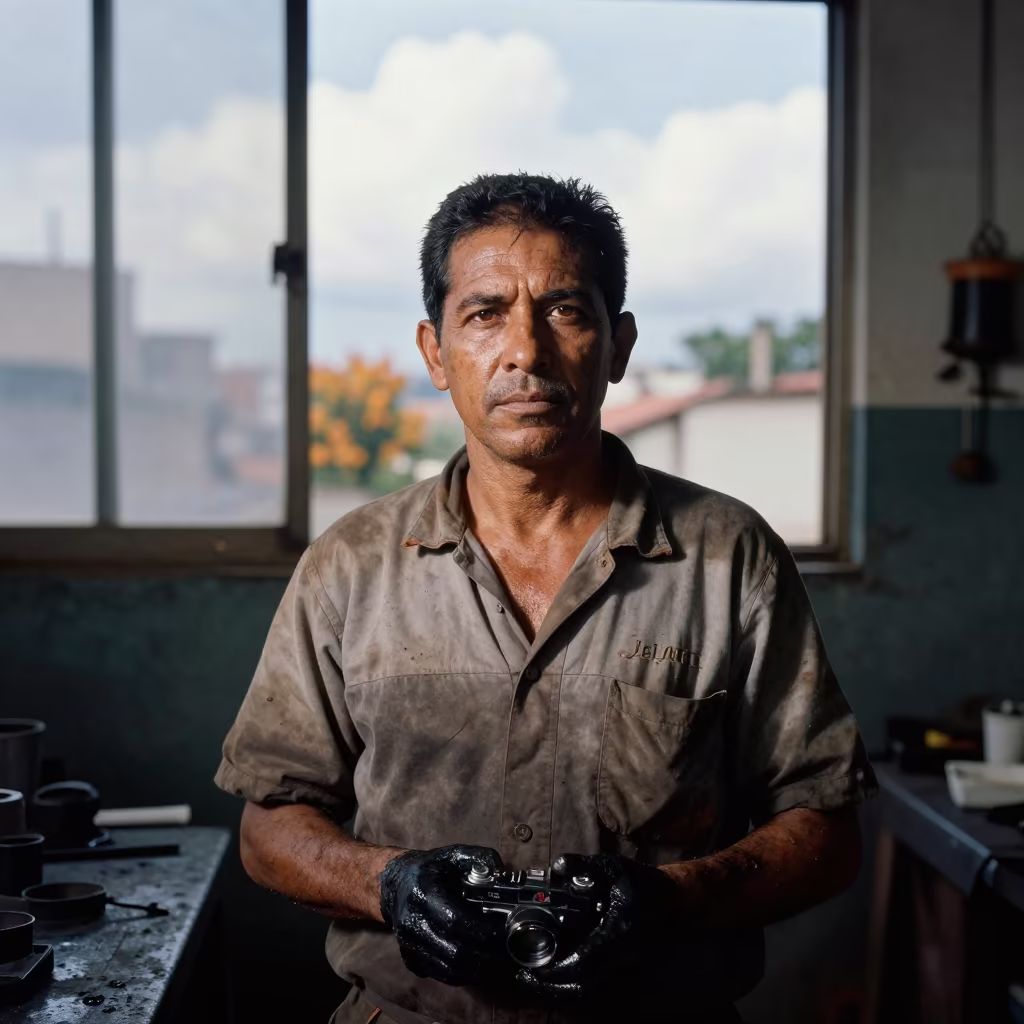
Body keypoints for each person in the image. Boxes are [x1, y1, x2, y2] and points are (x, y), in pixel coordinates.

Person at [215, 172, 876, 1024]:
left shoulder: (730, 557)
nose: (525, 350)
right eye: (485, 313)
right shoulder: (350, 567)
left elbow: (825, 828)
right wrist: (389, 885)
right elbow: (270, 827)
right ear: (434, 351)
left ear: (618, 344)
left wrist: (676, 897)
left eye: (565, 309)